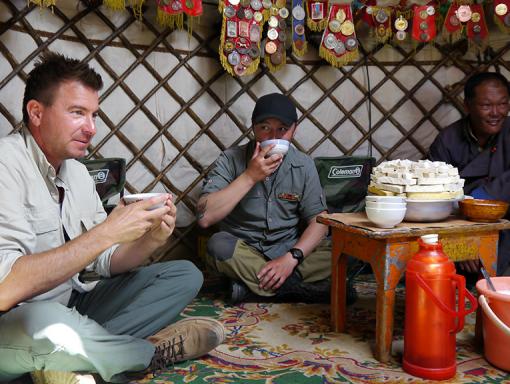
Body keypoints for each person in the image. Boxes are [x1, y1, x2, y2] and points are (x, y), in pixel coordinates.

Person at [0, 51, 225, 384]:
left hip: (73, 303)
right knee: (45, 323)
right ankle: (146, 354)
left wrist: (149, 240)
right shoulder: (6, 164)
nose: (91, 128)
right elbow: (6, 288)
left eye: (94, 115)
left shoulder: (77, 174)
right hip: (18, 320)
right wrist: (108, 231)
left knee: (184, 275)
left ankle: (77, 357)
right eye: (78, 113)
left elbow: (101, 263)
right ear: (36, 112)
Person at [196, 93, 332, 304]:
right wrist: (249, 176)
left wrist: (291, 258)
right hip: (244, 251)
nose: (273, 137)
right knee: (217, 246)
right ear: (253, 128)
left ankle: (252, 289)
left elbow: (319, 221)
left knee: (344, 250)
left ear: (294, 130)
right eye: (265, 127)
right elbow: (205, 217)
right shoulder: (231, 159)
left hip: (289, 249)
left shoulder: (304, 165)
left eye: (282, 129)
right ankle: (299, 289)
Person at [428, 71, 510, 276]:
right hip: (459, 226)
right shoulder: (448, 140)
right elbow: (434, 197)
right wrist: (463, 238)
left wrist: (479, 199)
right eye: (486, 106)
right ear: (467, 106)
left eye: (503, 104)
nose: (496, 112)